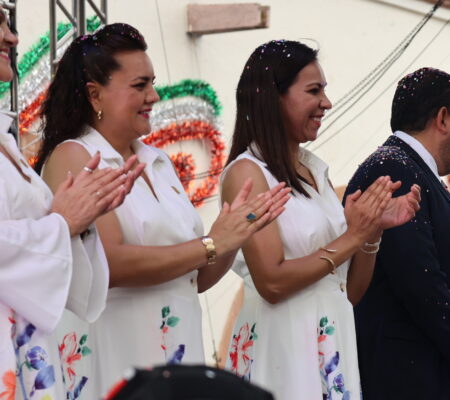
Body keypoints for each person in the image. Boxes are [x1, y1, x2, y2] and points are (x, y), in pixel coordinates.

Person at [35, 23, 290, 397]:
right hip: (118, 346)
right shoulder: (76, 155)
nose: (153, 96)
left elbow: (194, 278)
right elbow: (111, 264)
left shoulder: (157, 161)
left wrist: (235, 233)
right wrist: (210, 243)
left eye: (152, 83)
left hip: (178, 346)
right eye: (139, 86)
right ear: (95, 95)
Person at [220, 40, 420, 400]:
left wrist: (371, 233)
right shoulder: (248, 173)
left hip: (332, 338)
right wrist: (351, 237)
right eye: (314, 91)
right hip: (284, 343)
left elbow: (350, 292)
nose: (326, 103)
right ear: (272, 97)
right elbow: (272, 283)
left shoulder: (314, 171)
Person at [0, 11, 144, 399]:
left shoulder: (6, 138)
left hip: (26, 338)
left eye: (9, 25)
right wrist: (61, 223)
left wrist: (78, 220)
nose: (11, 38)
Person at [346, 67, 450, 400]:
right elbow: (420, 278)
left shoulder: (415, 170)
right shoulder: (392, 168)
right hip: (409, 374)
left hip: (434, 369)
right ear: (444, 119)